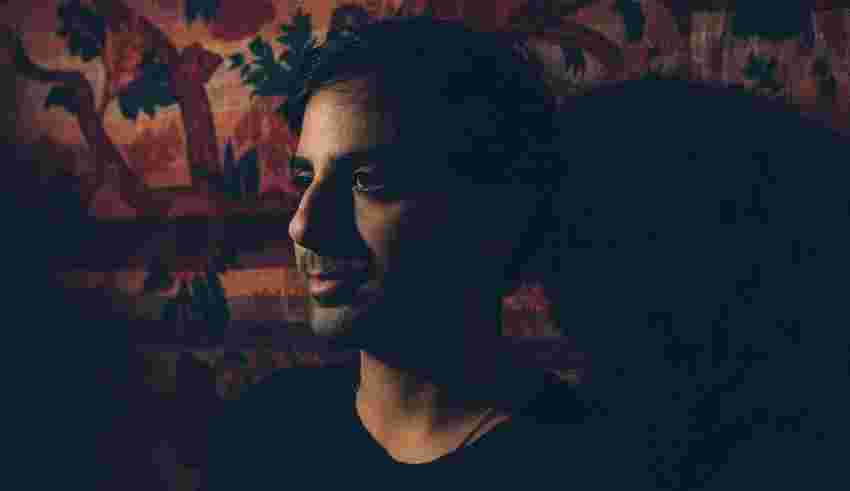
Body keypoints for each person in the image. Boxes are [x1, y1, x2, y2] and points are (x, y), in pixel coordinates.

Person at [206, 16, 849, 490]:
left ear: (488, 208)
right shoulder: (265, 431)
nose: (304, 224)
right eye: (304, 178)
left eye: (369, 181)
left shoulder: (594, 469)